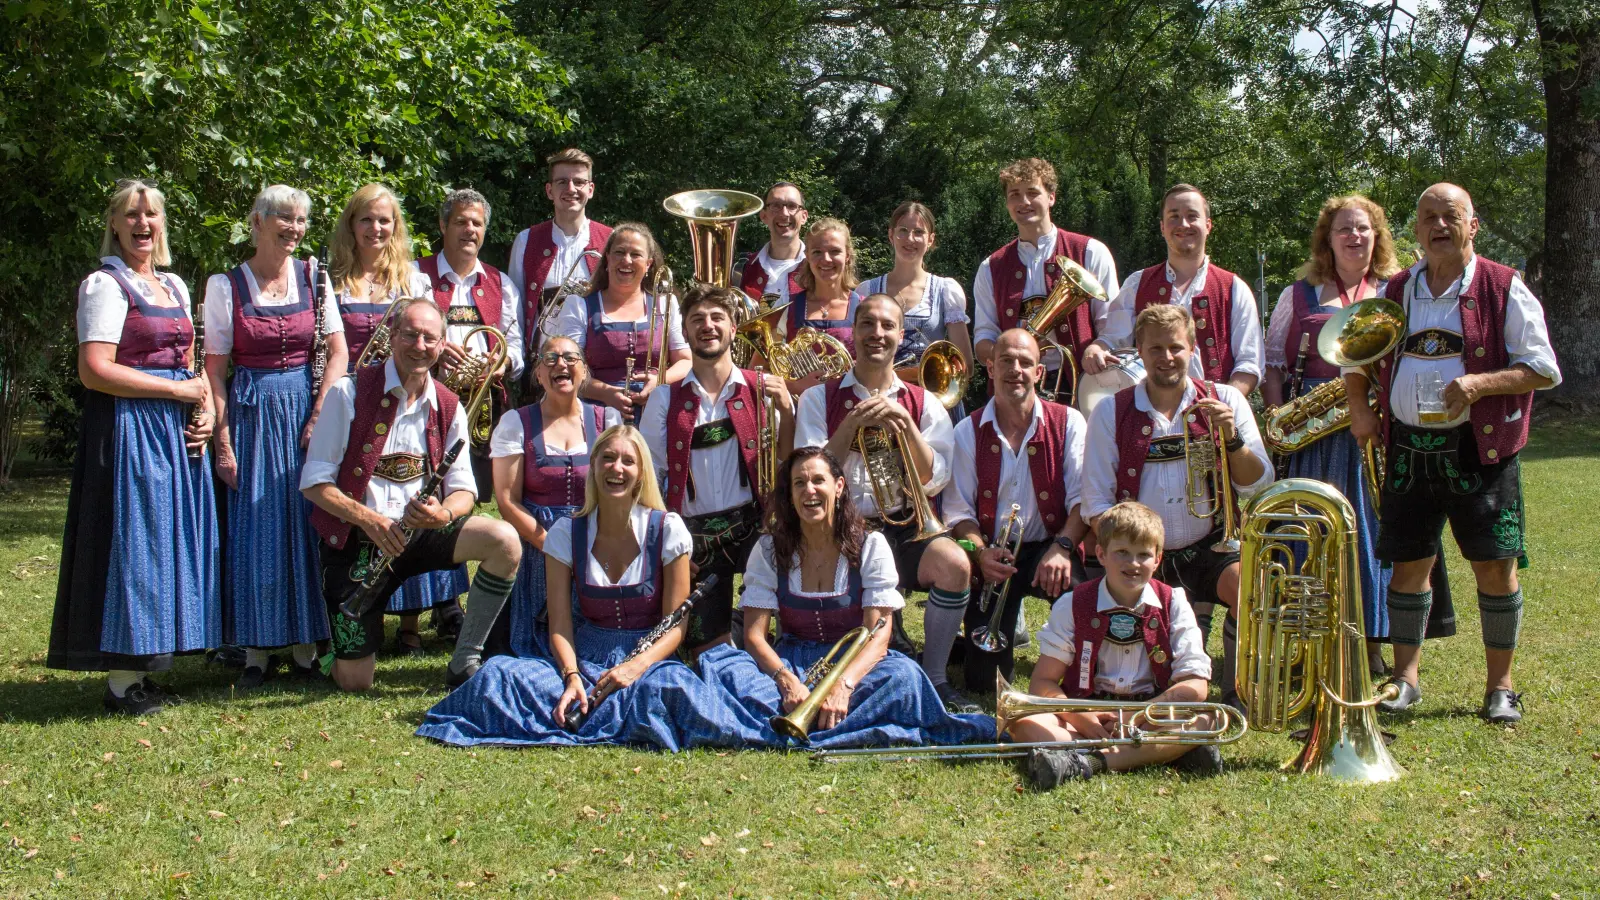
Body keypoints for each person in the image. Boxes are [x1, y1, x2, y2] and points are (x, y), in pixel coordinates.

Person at [1348, 183, 1561, 724]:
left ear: (1473, 225)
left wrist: (1480, 385)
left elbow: (1543, 368)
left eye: (1451, 216)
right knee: (1408, 566)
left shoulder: (1504, 286)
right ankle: (1404, 681)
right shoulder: (1395, 290)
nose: (1438, 226)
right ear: (1415, 229)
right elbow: (1353, 355)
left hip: (1479, 450)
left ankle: (1501, 687)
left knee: (1494, 565)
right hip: (1408, 449)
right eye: (1428, 217)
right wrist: (1360, 407)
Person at [414, 425, 764, 750]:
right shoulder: (567, 533)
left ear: (641, 472)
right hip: (584, 657)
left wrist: (634, 668)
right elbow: (560, 626)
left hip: (650, 662)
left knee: (671, 692)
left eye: (629, 461)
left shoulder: (669, 529)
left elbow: (676, 627)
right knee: (499, 674)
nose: (617, 468)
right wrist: (571, 677)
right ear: (593, 466)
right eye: (608, 458)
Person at [49, 179, 221, 714]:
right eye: (131, 215)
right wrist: (178, 391)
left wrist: (206, 410)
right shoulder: (104, 286)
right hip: (127, 429)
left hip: (173, 432)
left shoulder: (171, 286)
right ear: (115, 224)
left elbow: (190, 363)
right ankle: (123, 680)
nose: (142, 224)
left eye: (151, 215)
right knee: (134, 547)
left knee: (166, 544)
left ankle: (149, 664)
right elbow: (94, 369)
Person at [698, 448, 993, 748]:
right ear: (790, 494)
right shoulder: (769, 550)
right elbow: (754, 636)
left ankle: (788, 722)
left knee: (903, 676)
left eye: (818, 480)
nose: (809, 490)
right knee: (722, 664)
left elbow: (878, 635)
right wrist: (786, 683)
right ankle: (839, 721)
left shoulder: (870, 546)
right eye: (799, 483)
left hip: (854, 666)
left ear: (838, 487)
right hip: (790, 665)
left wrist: (844, 685)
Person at [302, 299, 523, 692]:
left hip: (420, 533)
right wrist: (370, 520)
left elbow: (465, 490)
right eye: (410, 334)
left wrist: (442, 515)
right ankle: (332, 646)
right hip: (361, 540)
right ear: (391, 337)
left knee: (504, 541)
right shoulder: (347, 393)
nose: (419, 345)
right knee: (356, 682)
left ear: (441, 346)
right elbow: (315, 484)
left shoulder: (449, 404)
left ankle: (465, 658)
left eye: (430, 338)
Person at [1082, 305, 1273, 710]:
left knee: (1250, 586)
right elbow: (1095, 504)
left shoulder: (1225, 400)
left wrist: (1232, 439)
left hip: (1212, 544)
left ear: (1192, 349)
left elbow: (1258, 483)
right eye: (1155, 349)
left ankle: (1237, 689)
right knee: (1160, 671)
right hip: (1144, 555)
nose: (1166, 357)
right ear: (1139, 350)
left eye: (1175, 347)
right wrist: (1130, 556)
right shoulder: (1110, 411)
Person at [794, 294, 975, 709]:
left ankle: (934, 677)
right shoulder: (818, 399)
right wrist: (852, 424)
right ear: (853, 332)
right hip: (840, 528)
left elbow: (933, 479)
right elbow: (808, 472)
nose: (877, 334)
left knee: (955, 565)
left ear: (900, 335)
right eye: (868, 325)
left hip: (904, 523)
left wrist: (907, 426)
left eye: (887, 326)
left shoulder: (924, 402)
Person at [205, 184, 347, 688]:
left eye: (301, 220)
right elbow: (215, 370)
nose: (294, 228)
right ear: (258, 221)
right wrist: (222, 440)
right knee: (258, 524)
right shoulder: (226, 285)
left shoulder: (314, 275)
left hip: (306, 410)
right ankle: (256, 651)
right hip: (252, 412)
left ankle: (308, 646)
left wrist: (320, 414)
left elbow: (337, 352)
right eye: (284, 218)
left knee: (305, 521)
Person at [1264, 195, 1411, 673]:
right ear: (1326, 239)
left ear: (1377, 236)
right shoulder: (1298, 294)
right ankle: (1308, 644)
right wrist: (1278, 415)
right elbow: (1272, 363)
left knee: (1369, 533)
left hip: (1373, 432)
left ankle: (1368, 641)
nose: (1354, 236)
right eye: (1344, 229)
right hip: (1313, 435)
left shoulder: (1395, 289)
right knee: (1312, 532)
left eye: (1363, 228)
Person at [329, 182, 465, 654]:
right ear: (352, 224)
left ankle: (408, 628)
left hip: (404, 395)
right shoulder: (331, 280)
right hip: (353, 401)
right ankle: (356, 619)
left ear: (396, 226)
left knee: (410, 488)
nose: (376, 227)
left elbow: (431, 340)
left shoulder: (414, 281)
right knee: (360, 497)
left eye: (385, 219)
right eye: (366, 218)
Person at [1014, 502, 1222, 786]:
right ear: (1101, 554)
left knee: (1206, 719)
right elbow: (1043, 681)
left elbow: (1196, 685)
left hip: (1151, 714)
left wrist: (1140, 716)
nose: (1133, 564)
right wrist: (1082, 719)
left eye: (1144, 555)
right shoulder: (1072, 603)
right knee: (1025, 725)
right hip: (1088, 712)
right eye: (1122, 552)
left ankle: (1089, 762)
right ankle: (1167, 751)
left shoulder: (1174, 603)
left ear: (1158, 559)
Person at [641, 283, 795, 650]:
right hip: (694, 538)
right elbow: (649, 479)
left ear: (733, 326)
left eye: (716, 317)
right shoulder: (665, 397)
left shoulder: (763, 387)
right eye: (697, 319)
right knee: (709, 651)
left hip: (755, 529)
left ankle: (759, 629)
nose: (707, 326)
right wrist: (671, 545)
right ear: (686, 330)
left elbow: (788, 462)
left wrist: (788, 411)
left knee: (771, 640)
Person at [946, 329, 1088, 692]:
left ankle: (1072, 667)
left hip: (1050, 547)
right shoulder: (966, 431)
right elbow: (959, 512)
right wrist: (980, 555)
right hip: (994, 553)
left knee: (1090, 613)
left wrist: (1063, 549)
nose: (1016, 370)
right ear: (990, 368)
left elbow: (1082, 501)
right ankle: (968, 647)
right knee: (983, 682)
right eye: (1006, 360)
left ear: (1039, 372)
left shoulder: (1070, 423)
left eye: (1025, 362)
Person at [489, 335, 620, 657]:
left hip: (594, 537)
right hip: (537, 542)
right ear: (538, 374)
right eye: (550, 359)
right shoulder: (515, 423)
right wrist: (552, 545)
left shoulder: (608, 421)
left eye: (571, 358)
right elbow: (506, 500)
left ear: (585, 370)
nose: (561, 364)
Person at [972, 158, 1121, 401]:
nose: (1024, 202)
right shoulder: (991, 267)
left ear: (1051, 197)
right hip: (1017, 391)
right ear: (1007, 203)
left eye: (1033, 192)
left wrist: (1099, 346)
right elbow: (983, 339)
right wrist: (1011, 354)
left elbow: (1114, 324)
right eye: (1015, 195)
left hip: (1083, 386)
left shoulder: (1091, 252)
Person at [415, 187, 524, 500]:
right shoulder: (415, 275)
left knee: (472, 492)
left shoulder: (501, 284)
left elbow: (515, 347)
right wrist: (434, 351)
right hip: (426, 397)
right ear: (443, 226)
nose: (470, 230)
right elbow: (397, 337)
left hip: (483, 405)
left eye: (477, 224)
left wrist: (502, 363)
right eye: (461, 222)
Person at [1103, 184, 1262, 396]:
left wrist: (1222, 406)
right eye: (1174, 216)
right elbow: (1113, 342)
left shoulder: (1234, 289)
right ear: (1162, 227)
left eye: (1192, 216)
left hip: (1215, 418)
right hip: (1148, 417)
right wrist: (1097, 348)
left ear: (1208, 225)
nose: (1183, 224)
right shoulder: (1137, 283)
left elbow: (1249, 365)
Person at [546, 222, 690, 423]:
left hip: (657, 414)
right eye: (619, 252)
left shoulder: (666, 304)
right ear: (607, 258)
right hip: (597, 415)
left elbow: (686, 361)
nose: (626, 260)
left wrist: (659, 380)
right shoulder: (578, 306)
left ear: (648, 264)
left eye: (636, 255)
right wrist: (607, 394)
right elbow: (568, 369)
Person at [508, 148, 612, 390]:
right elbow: (516, 310)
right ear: (549, 190)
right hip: (543, 369)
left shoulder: (610, 240)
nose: (571, 189)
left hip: (596, 369)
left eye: (579, 182)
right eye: (562, 181)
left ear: (591, 189)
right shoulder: (526, 241)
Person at [853, 201, 974, 401]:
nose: (910, 239)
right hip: (880, 398)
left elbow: (965, 366)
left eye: (918, 232)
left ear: (930, 240)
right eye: (903, 231)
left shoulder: (946, 290)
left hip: (934, 401)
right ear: (891, 235)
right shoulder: (867, 291)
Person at [781, 217, 860, 394]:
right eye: (817, 252)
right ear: (807, 255)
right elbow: (758, 371)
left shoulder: (865, 308)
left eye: (834, 251)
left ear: (847, 256)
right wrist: (795, 386)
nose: (826, 259)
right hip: (799, 414)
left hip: (850, 409)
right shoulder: (787, 308)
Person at [738, 181, 809, 303]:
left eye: (792, 206)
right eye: (776, 206)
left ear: (804, 216)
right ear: (763, 216)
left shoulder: (818, 267)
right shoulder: (741, 270)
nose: (784, 213)